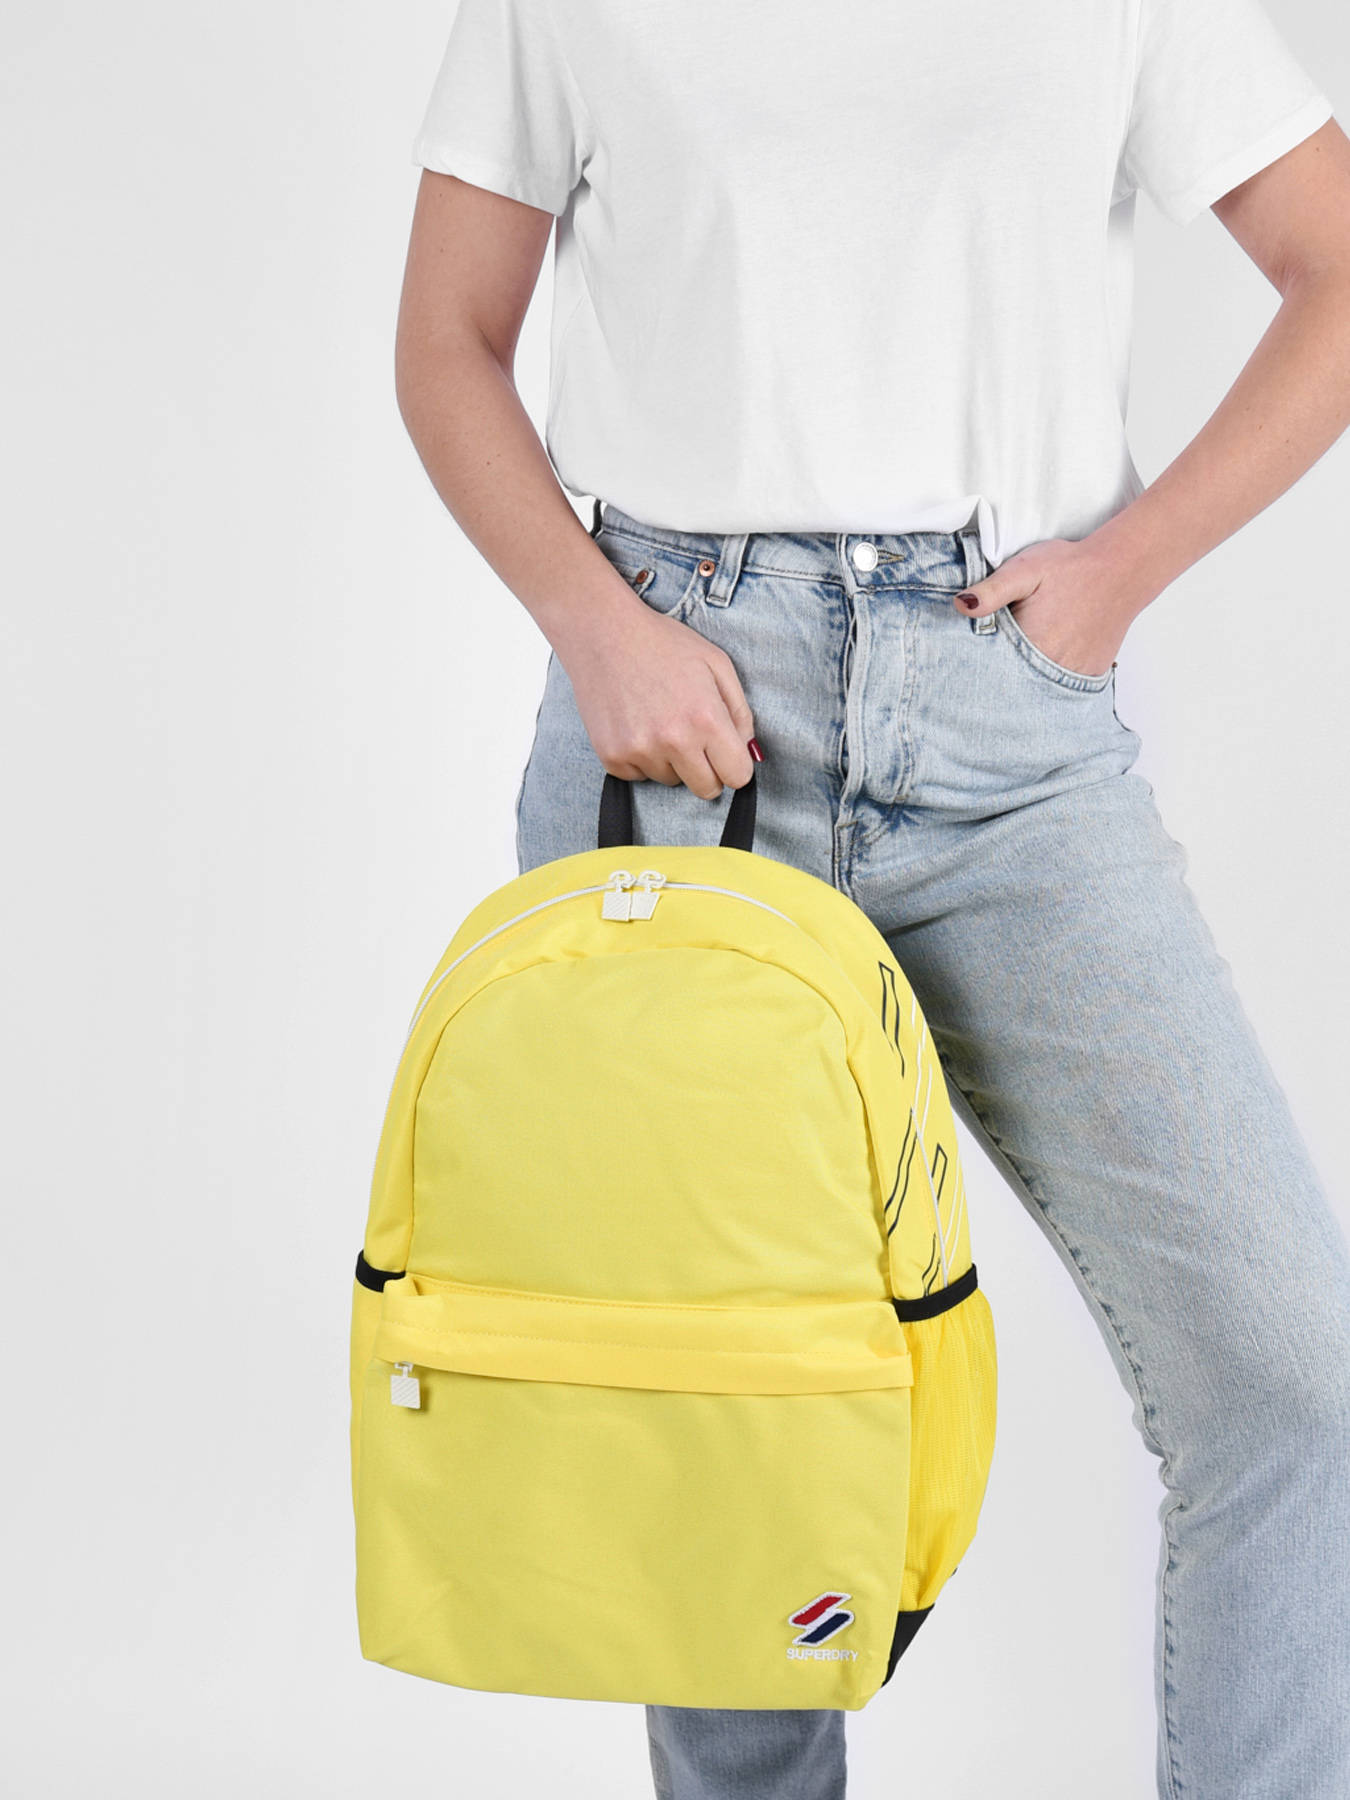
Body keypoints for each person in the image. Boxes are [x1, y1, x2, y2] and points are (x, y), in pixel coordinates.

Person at [392, 2, 1350, 1795]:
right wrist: (596, 628)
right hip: (676, 726)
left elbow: (1335, 264)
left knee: (1289, 1379)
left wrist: (1124, 568)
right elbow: (446, 340)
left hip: (1009, 739)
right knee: (721, 1416)